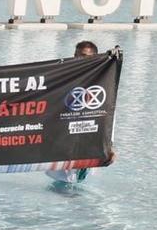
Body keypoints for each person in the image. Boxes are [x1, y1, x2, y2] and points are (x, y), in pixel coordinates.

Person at [47, 39, 110, 188]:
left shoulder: (102, 82)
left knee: (80, 185)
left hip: (88, 142)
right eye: (76, 56)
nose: (78, 59)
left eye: (83, 56)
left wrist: (109, 147)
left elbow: (107, 115)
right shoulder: (66, 79)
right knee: (63, 185)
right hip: (67, 144)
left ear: (94, 58)